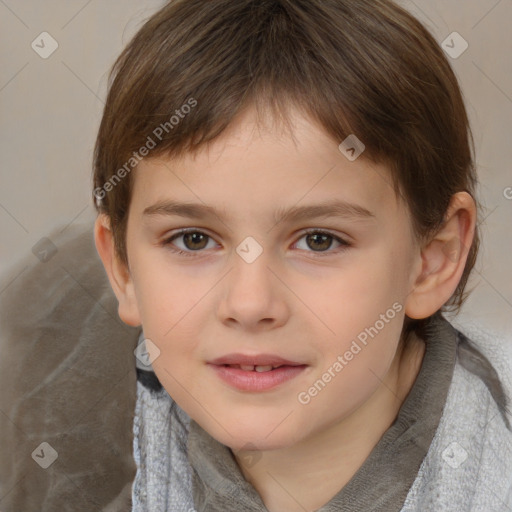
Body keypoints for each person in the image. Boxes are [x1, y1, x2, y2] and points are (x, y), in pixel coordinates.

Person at [91, 0, 512, 510]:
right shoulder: (58, 460)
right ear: (123, 268)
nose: (249, 304)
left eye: (319, 240)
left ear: (433, 259)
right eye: (193, 239)